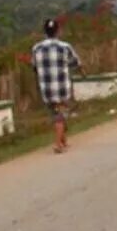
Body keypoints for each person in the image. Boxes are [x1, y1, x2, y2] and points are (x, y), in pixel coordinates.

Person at [31, 18, 83, 154]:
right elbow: (76, 63)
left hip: (46, 89)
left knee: (56, 113)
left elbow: (34, 67)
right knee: (60, 114)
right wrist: (82, 73)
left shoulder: (36, 48)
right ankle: (58, 144)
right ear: (58, 31)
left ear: (45, 32)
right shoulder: (65, 47)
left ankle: (64, 141)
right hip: (62, 88)